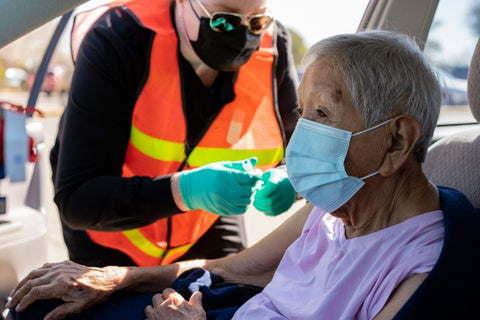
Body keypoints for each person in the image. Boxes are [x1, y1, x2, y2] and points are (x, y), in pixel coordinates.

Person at [7, 30, 480, 320]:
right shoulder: (339, 207)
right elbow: (237, 267)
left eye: (322, 114)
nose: (301, 138)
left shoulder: (427, 269)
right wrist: (118, 276)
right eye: (302, 112)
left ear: (396, 141)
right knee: (45, 307)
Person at [50, 0, 299, 268]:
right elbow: (78, 200)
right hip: (110, 230)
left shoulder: (274, 49)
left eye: (257, 21)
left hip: (206, 216)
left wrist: (290, 178)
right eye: (223, 19)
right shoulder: (119, 38)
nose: (243, 35)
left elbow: (301, 150)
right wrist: (187, 191)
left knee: (230, 299)